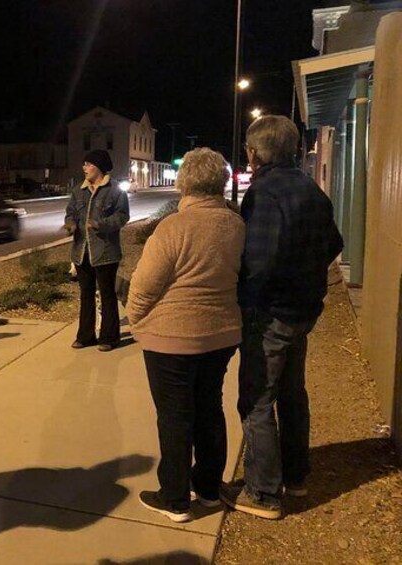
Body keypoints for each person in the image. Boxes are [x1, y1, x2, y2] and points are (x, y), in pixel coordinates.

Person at [220, 115, 344, 520]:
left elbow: (259, 261)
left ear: (255, 153)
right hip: (303, 313)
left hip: (270, 315)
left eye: (248, 150)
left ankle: (263, 493)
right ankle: (296, 475)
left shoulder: (265, 192)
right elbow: (335, 244)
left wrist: (246, 306)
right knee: (293, 395)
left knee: (257, 401)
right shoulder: (312, 190)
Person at [126, 148, 245, 523]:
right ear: (220, 183)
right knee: (210, 409)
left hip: (171, 338)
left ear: (184, 183)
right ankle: (209, 489)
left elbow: (144, 286)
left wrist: (136, 318)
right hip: (221, 334)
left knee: (175, 417)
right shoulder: (236, 225)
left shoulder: (174, 227)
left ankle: (175, 498)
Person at [63, 149, 130, 352]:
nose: (84, 168)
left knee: (108, 295)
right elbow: (70, 213)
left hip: (105, 252)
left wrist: (100, 224)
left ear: (99, 167)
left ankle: (110, 337)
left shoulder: (115, 191)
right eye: (84, 164)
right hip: (81, 252)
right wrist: (70, 225)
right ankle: (85, 336)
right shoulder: (78, 191)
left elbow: (122, 216)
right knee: (86, 294)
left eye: (88, 164)